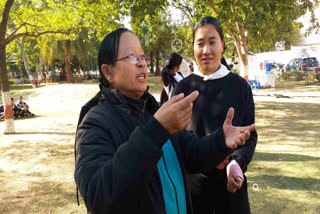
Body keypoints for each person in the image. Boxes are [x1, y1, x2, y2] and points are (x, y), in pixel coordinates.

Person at [74, 28, 255, 214]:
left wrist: (220, 140)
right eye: (132, 57)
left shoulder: (151, 110)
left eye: (143, 57)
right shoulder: (95, 123)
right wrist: (156, 129)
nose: (142, 64)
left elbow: (190, 153)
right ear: (108, 72)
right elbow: (97, 196)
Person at [174, 16, 258, 214]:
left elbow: (250, 134)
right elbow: (174, 137)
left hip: (231, 183)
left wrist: (237, 162)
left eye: (212, 42)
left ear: (222, 45)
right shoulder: (183, 88)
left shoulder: (239, 86)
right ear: (193, 48)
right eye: (200, 44)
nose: (206, 50)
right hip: (192, 188)